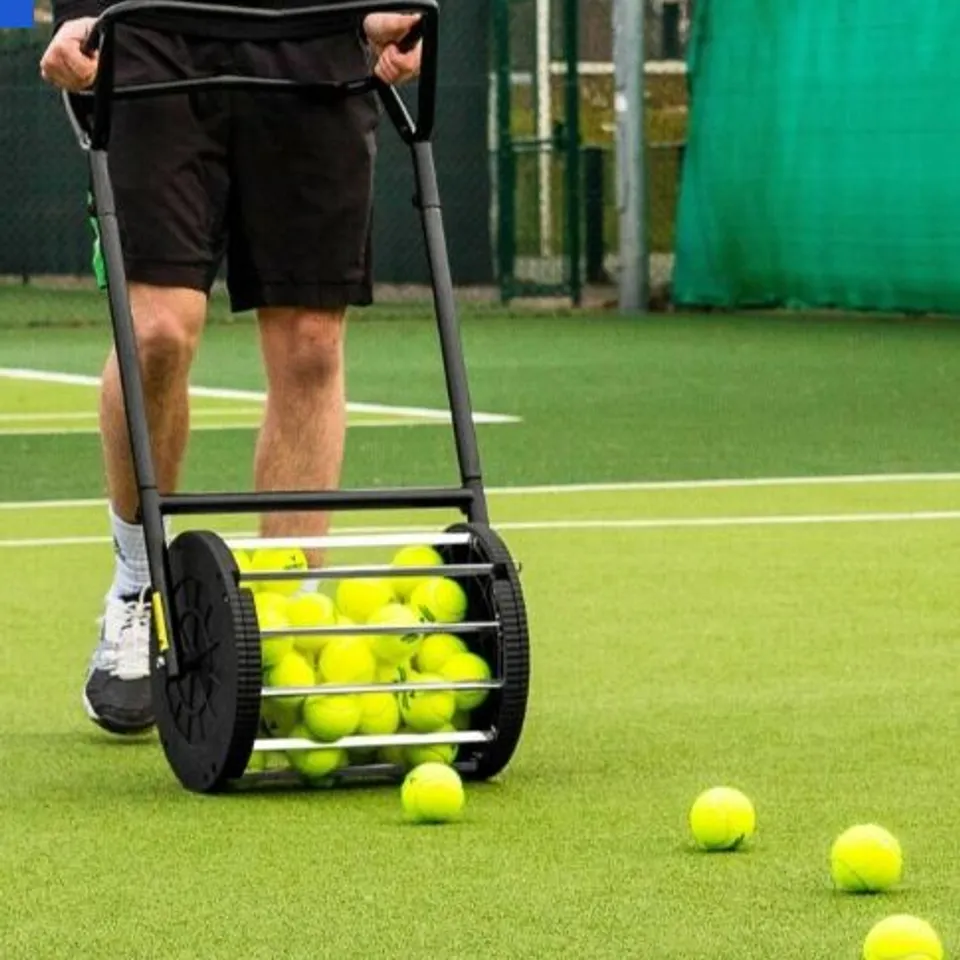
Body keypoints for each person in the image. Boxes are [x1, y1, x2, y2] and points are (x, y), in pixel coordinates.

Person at [39, 2, 423, 736]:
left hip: (316, 38)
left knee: (311, 341)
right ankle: (139, 587)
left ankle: (285, 625)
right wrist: (81, 16)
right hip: (153, 34)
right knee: (156, 332)